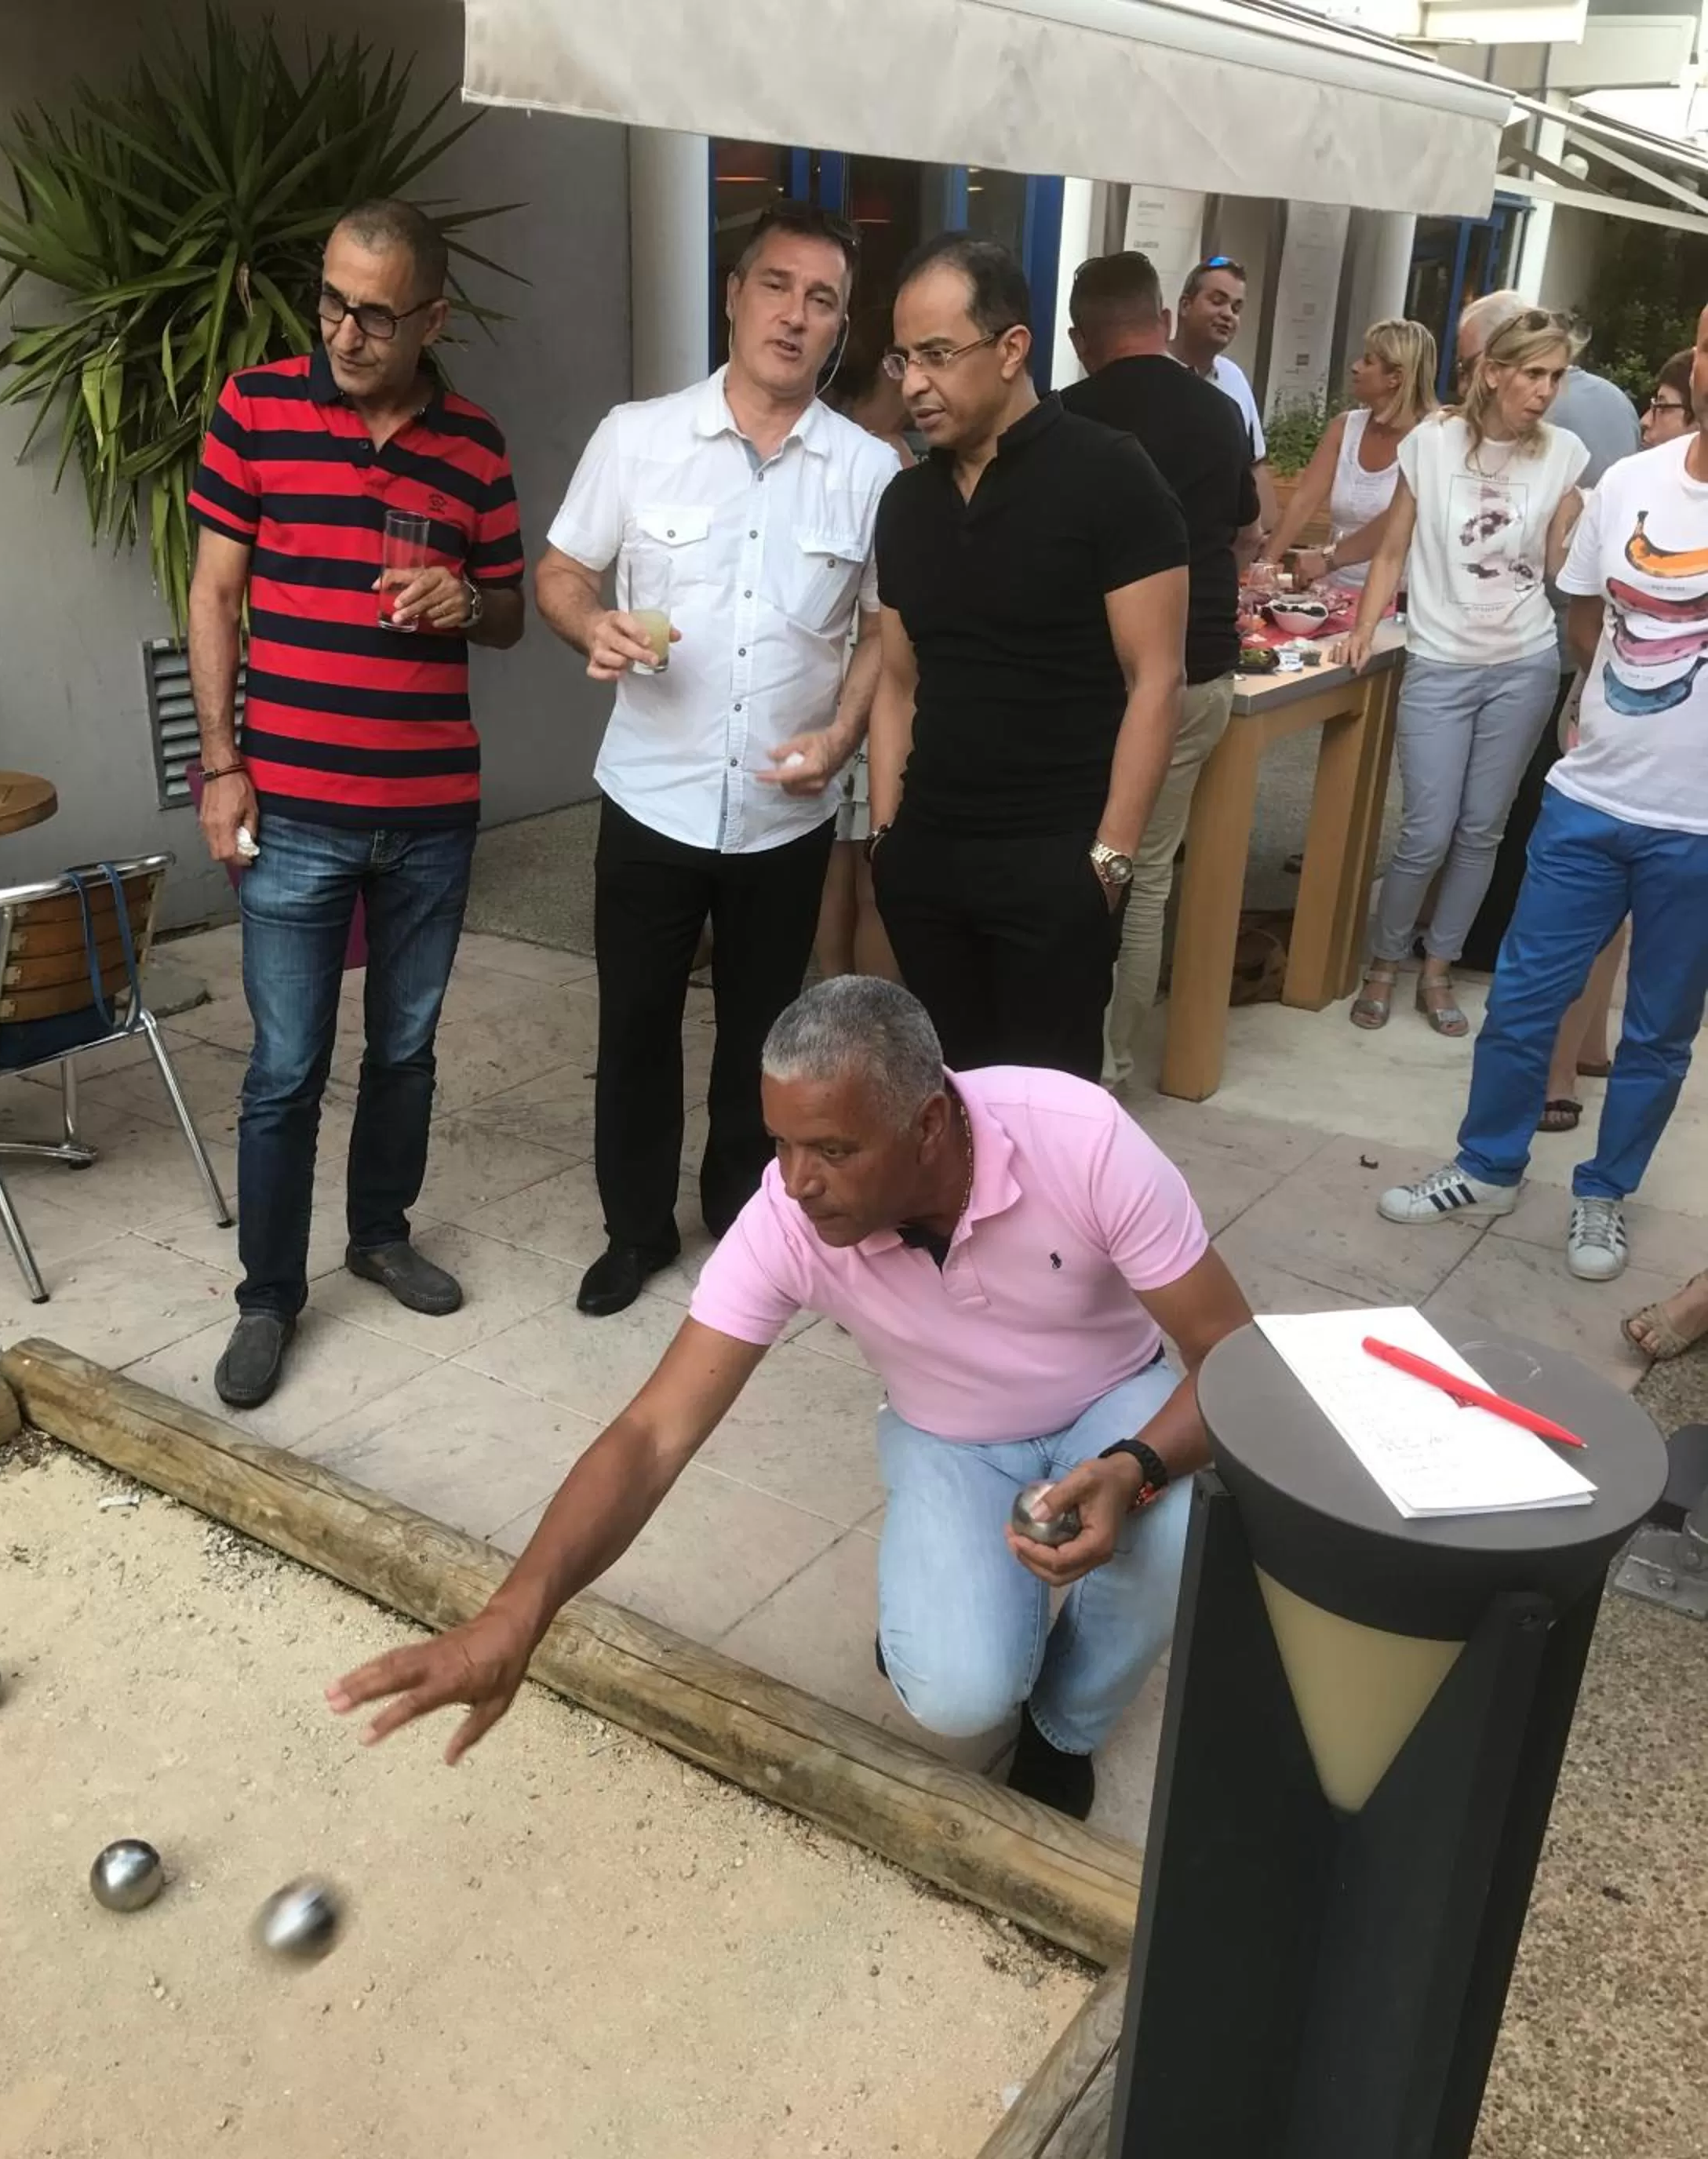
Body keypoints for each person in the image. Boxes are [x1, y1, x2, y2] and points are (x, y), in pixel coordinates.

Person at [327, 978, 1255, 1819]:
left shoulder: (1078, 1136)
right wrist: (513, 1615)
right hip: (954, 1436)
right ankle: (951, 1637)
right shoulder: (790, 1215)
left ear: (929, 1125)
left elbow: (1232, 1354)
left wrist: (1134, 1465)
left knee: (1172, 1525)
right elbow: (653, 1434)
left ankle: (1065, 1728)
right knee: (962, 1693)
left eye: (834, 1149)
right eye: (781, 1143)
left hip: (1113, 1402)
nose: (796, 1182)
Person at [535, 201, 901, 1318]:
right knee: (635, 1025)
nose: (795, 315)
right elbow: (556, 571)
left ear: (840, 328)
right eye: (777, 286)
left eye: (823, 299)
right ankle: (634, 1231)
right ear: (734, 294)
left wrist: (841, 740)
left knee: (766, 1038)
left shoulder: (870, 467)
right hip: (649, 797)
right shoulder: (637, 436)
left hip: (785, 812)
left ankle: (746, 1222)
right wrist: (586, 621)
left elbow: (883, 630)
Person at [188, 200, 525, 1411]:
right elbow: (216, 596)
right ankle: (267, 1297)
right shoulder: (255, 409)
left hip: (432, 809)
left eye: (375, 312)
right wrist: (224, 763)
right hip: (296, 807)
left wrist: (461, 599)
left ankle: (378, 1233)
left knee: (405, 1050)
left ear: (431, 316)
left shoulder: (475, 444)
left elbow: (510, 610)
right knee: (284, 1066)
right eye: (330, 298)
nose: (344, 329)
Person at [1380, 304, 1708, 1286]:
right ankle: (1488, 1166)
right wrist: (1612, 719)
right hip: (1590, 800)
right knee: (1522, 1001)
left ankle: (1604, 1194)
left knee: (1657, 1035)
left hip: (1698, 828)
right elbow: (1583, 610)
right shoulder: (1632, 482)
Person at [868, 234, 1189, 1082]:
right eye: (904, 359)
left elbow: (1157, 678)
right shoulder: (905, 502)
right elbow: (897, 678)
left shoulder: (1111, 476)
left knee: (1050, 1120)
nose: (916, 384)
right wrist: (885, 837)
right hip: (928, 858)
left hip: (1057, 860)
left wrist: (1110, 860)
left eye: (939, 355)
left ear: (1012, 349)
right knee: (945, 1102)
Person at [1343, 308, 1588, 1039]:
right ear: (1494, 372)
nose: (1546, 390)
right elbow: (1392, 548)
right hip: (1440, 659)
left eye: (1556, 375)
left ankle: (1440, 965)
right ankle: (1385, 962)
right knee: (1426, 828)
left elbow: (1559, 567)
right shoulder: (1432, 442)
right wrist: (1362, 627)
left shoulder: (1565, 455)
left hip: (1524, 660)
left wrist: (1599, 532)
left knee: (1482, 831)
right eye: (1534, 373)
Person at [1061, 250, 1258, 1087]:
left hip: (1088, 679)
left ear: (1078, 339)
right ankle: (1110, 1065)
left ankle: (1057, 1057)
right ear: (1165, 320)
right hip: (1197, 669)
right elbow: (1247, 534)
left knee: (1071, 866)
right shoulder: (1219, 415)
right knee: (1141, 880)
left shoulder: (1062, 417)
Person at [1534, 345, 1696, 1133]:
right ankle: (1565, 1060)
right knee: (1592, 921)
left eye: (1663, 404)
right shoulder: (1628, 488)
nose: (1647, 417)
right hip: (1609, 722)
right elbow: (1586, 616)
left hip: (1677, 781)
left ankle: (1577, 1055)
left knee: (1628, 942)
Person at [1456, 300, 1642, 977]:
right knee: (1537, 796)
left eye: (1473, 359)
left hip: (1537, 630)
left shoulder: (1542, 426)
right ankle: (1498, 939)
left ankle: (1478, 941)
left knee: (1501, 803)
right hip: (1582, 636)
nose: (1471, 376)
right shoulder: (1619, 405)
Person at [814, 313, 912, 985]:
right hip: (868, 682)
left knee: (844, 866)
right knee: (870, 872)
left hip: (847, 684)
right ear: (888, 364)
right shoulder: (880, 458)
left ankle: (840, 1011)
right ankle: (860, 1025)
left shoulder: (827, 440)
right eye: (915, 359)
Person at [1260, 319, 1438, 592]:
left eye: (1368, 361)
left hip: (1397, 601)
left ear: (1396, 377)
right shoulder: (1345, 427)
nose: (1355, 367)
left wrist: (1328, 557)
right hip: (1335, 592)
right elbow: (1304, 502)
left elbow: (1398, 520)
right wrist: (1265, 566)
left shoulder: (1432, 437)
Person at [1171, 257, 1277, 535]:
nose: (1228, 314)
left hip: (1224, 553)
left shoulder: (1235, 379)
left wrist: (1266, 548)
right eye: (1217, 301)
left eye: (1236, 307)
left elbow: (1255, 466)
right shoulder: (1149, 370)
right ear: (1185, 305)